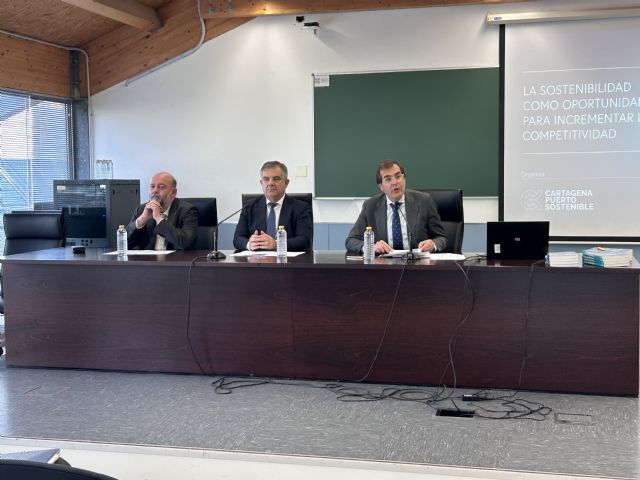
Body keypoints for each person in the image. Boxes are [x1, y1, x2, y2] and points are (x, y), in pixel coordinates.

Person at [345, 160, 447, 254]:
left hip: (417, 263)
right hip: (384, 264)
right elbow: (351, 240)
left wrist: (433, 244)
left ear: (404, 179)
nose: (395, 182)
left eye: (398, 176)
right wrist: (370, 247)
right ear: (381, 186)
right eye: (388, 179)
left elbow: (441, 238)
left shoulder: (424, 201)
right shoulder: (370, 206)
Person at [233, 161, 313, 252]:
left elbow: (304, 240)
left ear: (286, 183)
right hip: (257, 259)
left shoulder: (300, 208)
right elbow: (237, 238)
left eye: (276, 179)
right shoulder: (249, 207)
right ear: (261, 183)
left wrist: (276, 244)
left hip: (287, 260)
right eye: (266, 179)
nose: (270, 183)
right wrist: (249, 244)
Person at [126, 171, 198, 250]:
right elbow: (124, 244)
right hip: (148, 258)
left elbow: (186, 243)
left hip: (175, 257)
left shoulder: (187, 210)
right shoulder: (141, 210)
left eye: (161, 187)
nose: (155, 191)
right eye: (152, 186)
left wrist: (159, 219)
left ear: (173, 192)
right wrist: (142, 219)